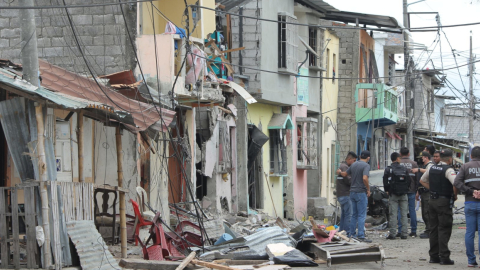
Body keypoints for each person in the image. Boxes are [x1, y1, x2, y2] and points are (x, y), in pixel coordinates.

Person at [420, 149, 457, 265]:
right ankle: (444, 257)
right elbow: (456, 183)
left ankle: (434, 256)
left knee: (433, 228)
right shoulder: (449, 170)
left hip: (432, 200)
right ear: (450, 159)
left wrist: (433, 190)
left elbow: (422, 180)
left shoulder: (432, 168)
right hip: (443, 202)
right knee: (444, 228)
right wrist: (454, 195)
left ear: (440, 157)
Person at [453, 146, 480, 268]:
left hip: (469, 203)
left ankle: (471, 260)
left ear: (471, 155)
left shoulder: (465, 166)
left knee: (469, 232)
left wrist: (470, 191)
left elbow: (457, 182)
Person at [338, 150, 372, 243]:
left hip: (352, 192)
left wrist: (340, 172)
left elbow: (345, 174)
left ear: (360, 156)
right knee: (361, 215)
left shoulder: (353, 165)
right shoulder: (366, 166)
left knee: (354, 215)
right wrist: (368, 189)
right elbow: (365, 178)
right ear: (368, 158)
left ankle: (351, 234)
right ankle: (360, 235)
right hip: (361, 192)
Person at [384, 152, 411, 240]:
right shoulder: (404, 168)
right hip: (403, 194)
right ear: (397, 159)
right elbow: (409, 180)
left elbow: (385, 181)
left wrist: (387, 190)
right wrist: (406, 189)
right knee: (404, 214)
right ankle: (404, 234)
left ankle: (392, 234)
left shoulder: (388, 169)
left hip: (393, 194)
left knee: (393, 214)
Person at [412, 151, 435, 239]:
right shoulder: (424, 166)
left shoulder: (430, 165)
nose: (422, 158)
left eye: (423, 157)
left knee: (427, 212)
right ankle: (428, 229)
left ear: (426, 157)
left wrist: (418, 170)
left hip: (427, 192)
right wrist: (418, 192)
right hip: (422, 191)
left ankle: (430, 230)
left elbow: (430, 171)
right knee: (424, 212)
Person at [397, 147, 419, 237]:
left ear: (400, 154)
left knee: (400, 210)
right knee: (412, 210)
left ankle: (400, 230)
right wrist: (417, 190)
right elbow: (418, 179)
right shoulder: (414, 164)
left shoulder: (398, 164)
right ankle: (413, 230)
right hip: (412, 190)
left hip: (401, 191)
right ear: (409, 153)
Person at [336, 151, 357, 235]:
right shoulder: (345, 167)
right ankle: (348, 233)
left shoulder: (342, 166)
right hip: (345, 194)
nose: (354, 163)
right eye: (354, 160)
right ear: (349, 159)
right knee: (349, 215)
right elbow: (349, 180)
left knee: (344, 215)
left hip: (341, 194)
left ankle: (342, 231)